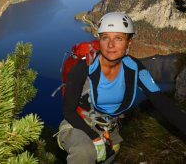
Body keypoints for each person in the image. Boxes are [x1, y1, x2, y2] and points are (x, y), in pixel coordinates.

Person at [56, 12, 186, 163]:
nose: (111, 45)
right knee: (84, 153)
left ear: (128, 42)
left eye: (118, 38)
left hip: (110, 131)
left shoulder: (135, 68)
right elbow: (69, 112)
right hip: (78, 125)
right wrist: (95, 138)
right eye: (106, 38)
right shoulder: (83, 68)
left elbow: (162, 102)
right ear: (100, 39)